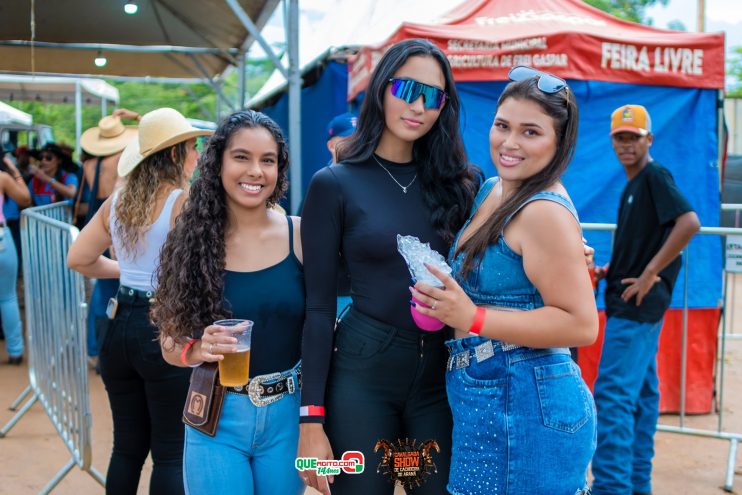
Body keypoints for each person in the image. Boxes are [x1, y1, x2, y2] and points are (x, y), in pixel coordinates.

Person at [299, 38, 481, 495]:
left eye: (433, 96)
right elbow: (318, 309)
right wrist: (310, 422)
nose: (418, 105)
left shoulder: (463, 185)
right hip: (362, 376)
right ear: (382, 88)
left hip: (440, 379)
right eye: (407, 89)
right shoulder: (334, 184)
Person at [410, 66, 598, 495]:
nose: (509, 143)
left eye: (531, 132)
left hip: (526, 404)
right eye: (502, 125)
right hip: (491, 396)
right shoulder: (494, 187)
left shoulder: (542, 210)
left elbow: (581, 325)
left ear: (558, 142)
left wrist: (472, 317)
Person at [152, 110, 304, 495]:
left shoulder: (299, 234)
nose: (255, 171)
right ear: (218, 162)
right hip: (216, 416)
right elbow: (170, 345)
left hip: (289, 417)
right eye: (241, 157)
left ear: (279, 169)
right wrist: (198, 348)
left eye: (267, 160)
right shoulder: (190, 240)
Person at [67, 107, 211, 495]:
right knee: (170, 452)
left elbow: (78, 258)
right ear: (172, 154)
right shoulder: (184, 201)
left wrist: (127, 273)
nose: (198, 155)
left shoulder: (117, 201)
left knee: (127, 448)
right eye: (192, 147)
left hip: (119, 326)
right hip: (165, 328)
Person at [590, 105, 700, 495]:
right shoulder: (634, 184)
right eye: (620, 137)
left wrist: (651, 274)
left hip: (636, 307)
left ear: (648, 140)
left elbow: (689, 222)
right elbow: (642, 241)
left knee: (614, 394)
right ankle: (636, 484)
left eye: (633, 137)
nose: (626, 145)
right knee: (640, 396)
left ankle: (611, 487)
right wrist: (611, 269)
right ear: (612, 142)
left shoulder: (654, 175)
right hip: (631, 301)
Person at [77, 110, 139, 364]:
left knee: (102, 290)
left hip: (95, 222)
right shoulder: (123, 160)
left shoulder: (89, 164)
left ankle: (95, 348)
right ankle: (107, 350)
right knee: (119, 289)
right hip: (116, 220)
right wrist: (135, 117)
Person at [0, 154, 31, 364]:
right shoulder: (2, 177)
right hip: (1, 239)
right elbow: (25, 199)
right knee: (7, 297)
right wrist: (15, 172)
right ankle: (15, 351)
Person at [326, 112, 357, 316]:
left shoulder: (369, 182)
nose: (354, 145)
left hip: (364, 292)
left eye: (359, 139)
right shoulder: (323, 183)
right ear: (331, 145)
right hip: (335, 293)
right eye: (347, 140)